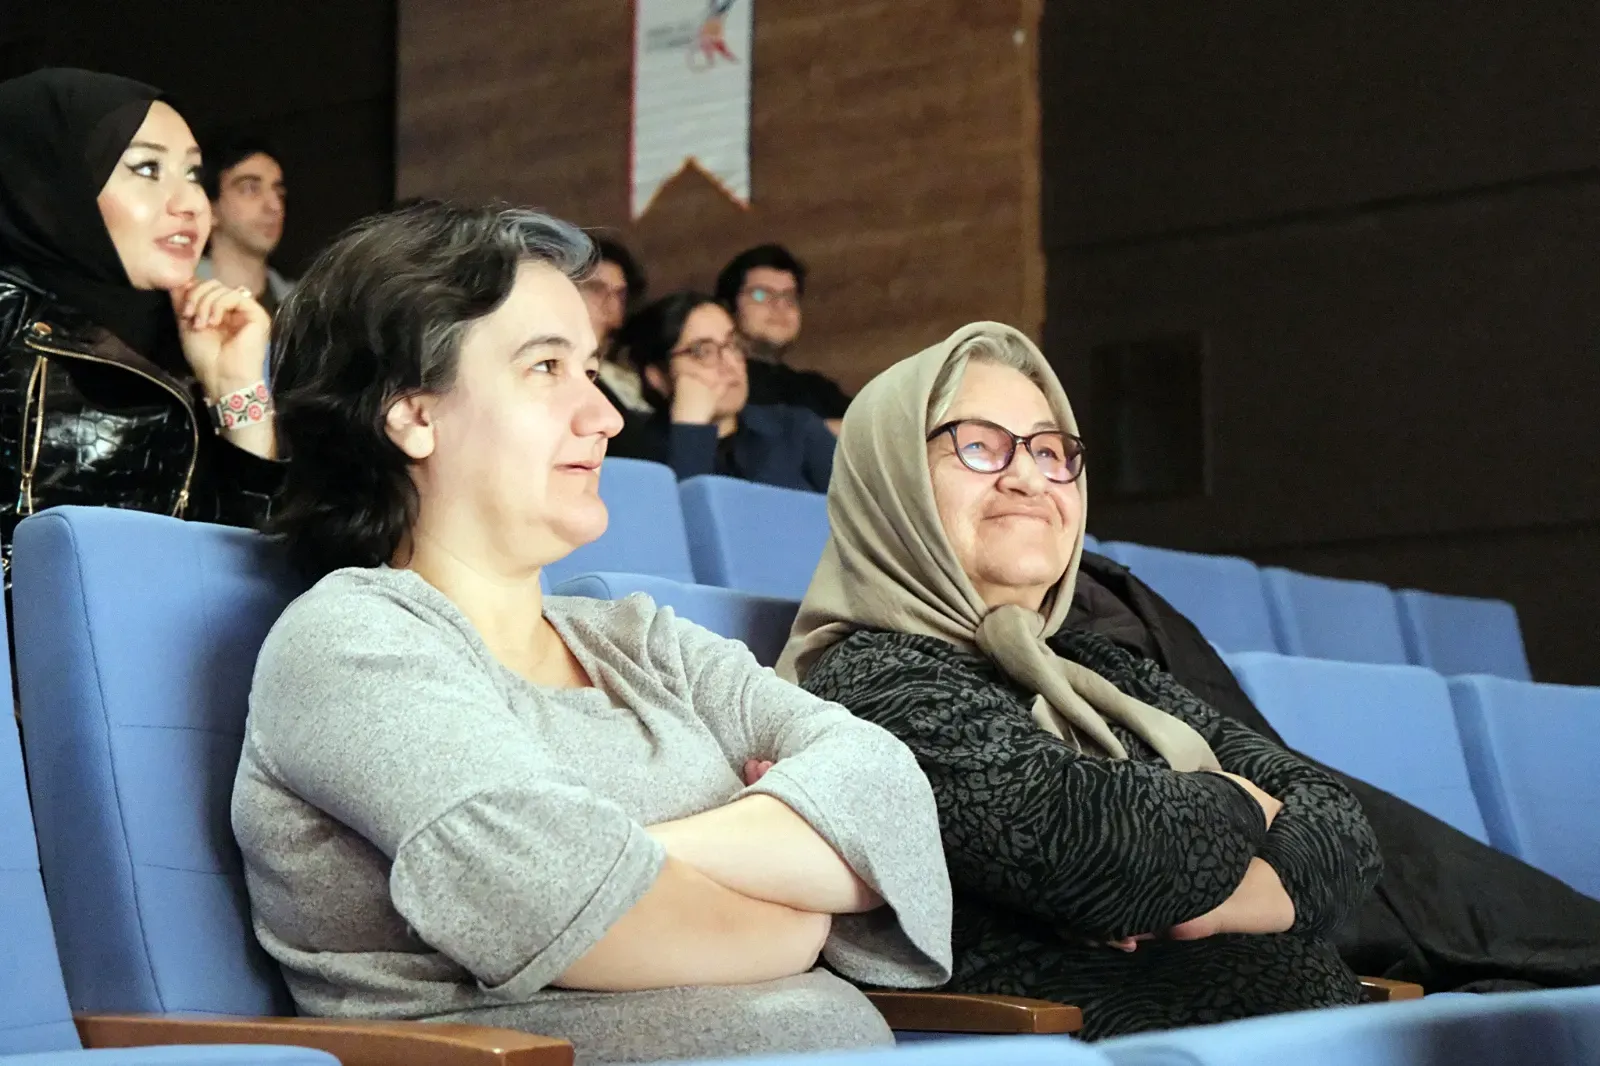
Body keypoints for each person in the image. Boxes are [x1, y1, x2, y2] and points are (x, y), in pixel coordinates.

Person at [234, 201, 952, 1065]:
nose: (605, 415)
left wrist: (638, 852)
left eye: (591, 367)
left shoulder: (634, 639)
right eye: (546, 367)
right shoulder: (350, 641)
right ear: (413, 414)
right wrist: (795, 900)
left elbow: (886, 793)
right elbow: (559, 905)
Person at [782, 321, 1382, 1040]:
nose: (1029, 478)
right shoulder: (873, 680)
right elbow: (1103, 849)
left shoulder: (1100, 667)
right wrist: (1248, 803)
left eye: (1049, 451)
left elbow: (1344, 828)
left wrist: (1219, 902)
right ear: (891, 485)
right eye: (980, 446)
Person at [1068, 551, 1600, 994]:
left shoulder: (1115, 638)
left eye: (1057, 464)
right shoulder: (1032, 705)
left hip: (1300, 891)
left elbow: (1312, 796)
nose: (1033, 483)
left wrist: (1257, 873)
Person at [0, 68, 279, 570]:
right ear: (54, 181)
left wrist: (235, 390)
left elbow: (252, 572)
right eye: (148, 169)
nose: (190, 204)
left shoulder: (198, 335)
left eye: (193, 175)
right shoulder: (9, 322)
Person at [622, 291, 835, 491]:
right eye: (704, 351)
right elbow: (684, 515)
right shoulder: (637, 453)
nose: (731, 364)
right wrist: (690, 431)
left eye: (733, 345)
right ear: (657, 377)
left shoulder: (794, 429)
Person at [713, 244, 851, 429]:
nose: (780, 306)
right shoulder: (716, 380)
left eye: (789, 297)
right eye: (761, 294)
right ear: (728, 308)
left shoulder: (817, 389)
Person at [196, 130, 292, 316]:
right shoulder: (172, 301)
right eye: (250, 188)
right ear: (210, 208)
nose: (274, 206)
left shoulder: (304, 308)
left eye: (279, 192)